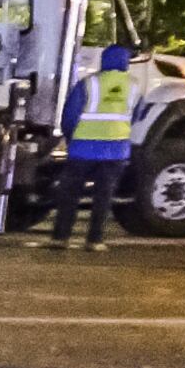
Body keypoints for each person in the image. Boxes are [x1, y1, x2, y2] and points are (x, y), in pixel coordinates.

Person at [41, 40, 138, 251]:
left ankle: (60, 238)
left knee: (70, 194)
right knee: (104, 197)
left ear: (104, 60)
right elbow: (136, 117)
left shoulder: (89, 83)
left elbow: (70, 116)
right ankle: (95, 240)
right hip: (116, 151)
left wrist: (70, 137)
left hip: (82, 150)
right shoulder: (133, 86)